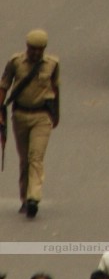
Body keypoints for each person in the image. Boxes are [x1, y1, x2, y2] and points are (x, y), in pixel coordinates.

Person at [0, 29, 60, 218]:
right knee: (25, 159)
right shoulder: (16, 62)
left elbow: (55, 89)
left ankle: (34, 197)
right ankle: (25, 198)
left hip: (42, 116)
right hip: (20, 115)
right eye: (32, 49)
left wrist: (55, 115)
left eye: (39, 49)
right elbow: (4, 86)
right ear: (27, 47)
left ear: (44, 49)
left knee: (36, 156)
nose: (35, 53)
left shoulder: (52, 64)